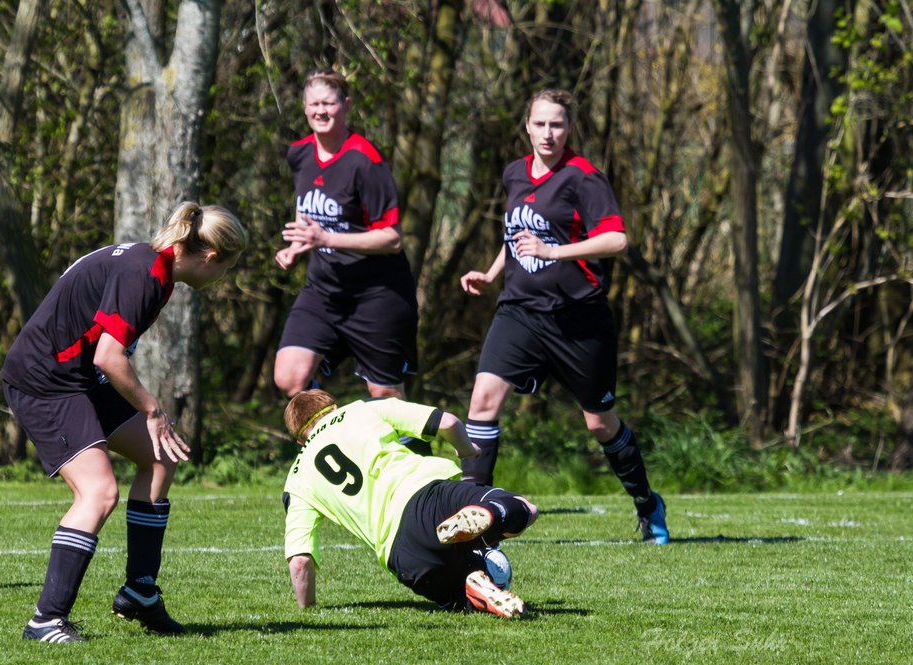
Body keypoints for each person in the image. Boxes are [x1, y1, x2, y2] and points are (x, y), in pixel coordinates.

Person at [1, 202, 248, 643]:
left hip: (77, 376)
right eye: (227, 268)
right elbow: (108, 356)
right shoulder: (145, 273)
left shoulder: (154, 267)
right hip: (46, 380)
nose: (222, 279)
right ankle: (46, 620)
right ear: (211, 257)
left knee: (158, 459)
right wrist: (153, 410)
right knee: (99, 492)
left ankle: (139, 592)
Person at [459, 89, 669, 544]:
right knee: (482, 402)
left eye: (557, 124)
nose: (548, 133)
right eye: (540, 124)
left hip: (577, 319)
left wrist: (555, 251)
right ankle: (475, 521)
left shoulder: (584, 177)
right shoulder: (514, 172)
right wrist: (492, 273)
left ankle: (647, 503)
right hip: (519, 311)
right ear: (527, 126)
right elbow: (517, 231)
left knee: (599, 424)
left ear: (568, 128)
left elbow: (616, 241)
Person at [282, 389, 538, 618]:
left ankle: (472, 586)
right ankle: (491, 512)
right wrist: (466, 450)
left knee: (459, 599)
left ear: (300, 441)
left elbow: (300, 560)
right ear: (334, 407)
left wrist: (308, 609)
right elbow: (448, 422)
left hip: (401, 553)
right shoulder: (362, 408)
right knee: (524, 508)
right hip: (428, 496)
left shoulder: (296, 479)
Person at [274, 69, 418, 399]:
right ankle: (331, 440)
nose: (320, 111)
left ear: (346, 105)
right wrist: (296, 246)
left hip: (376, 294)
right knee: (289, 377)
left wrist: (325, 240)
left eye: (329, 103)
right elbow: (307, 206)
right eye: (313, 104)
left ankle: (411, 449)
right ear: (304, 107)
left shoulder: (365, 161)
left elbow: (392, 239)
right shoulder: (300, 153)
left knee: (384, 395)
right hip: (323, 291)